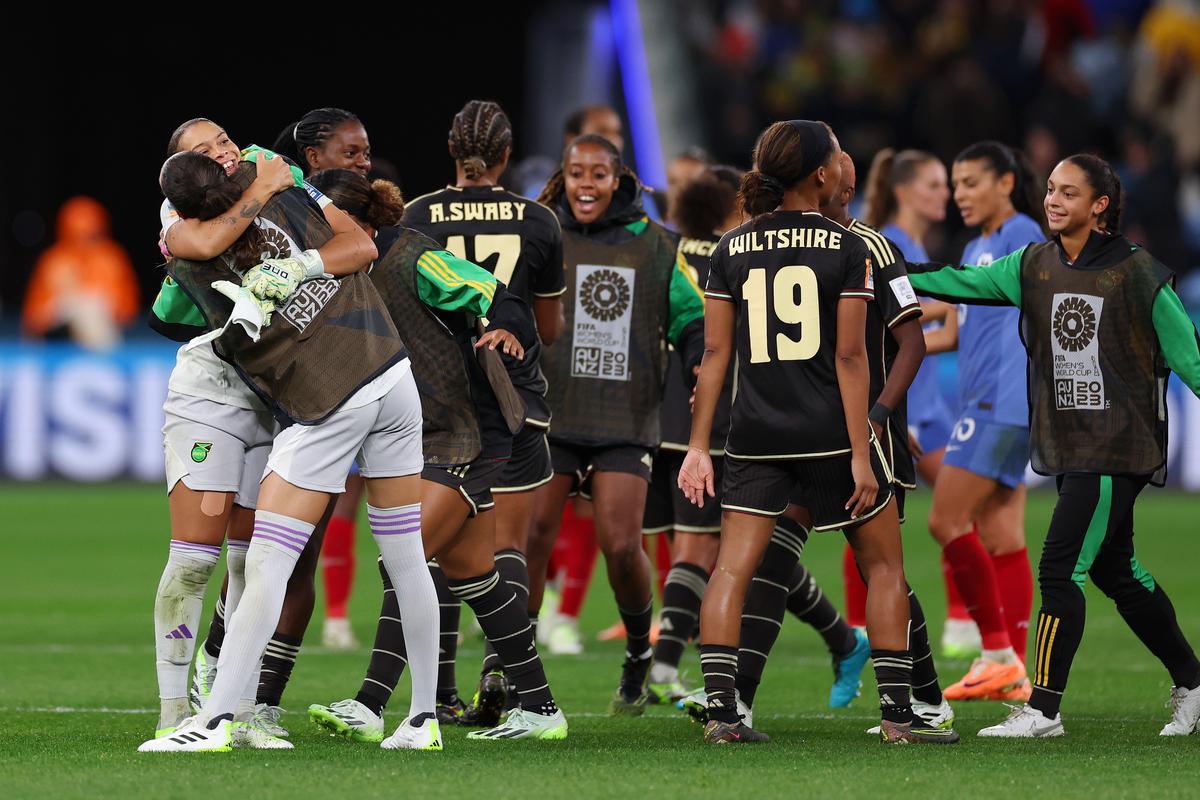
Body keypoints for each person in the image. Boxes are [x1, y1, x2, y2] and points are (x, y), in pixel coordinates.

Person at [140, 151, 441, 753]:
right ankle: (422, 719)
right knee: (406, 555)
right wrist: (291, 230)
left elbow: (202, 247)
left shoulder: (199, 260)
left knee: (268, 563)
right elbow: (356, 242)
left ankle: (216, 720)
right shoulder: (284, 195)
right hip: (392, 377)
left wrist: (295, 266)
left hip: (333, 398)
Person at [679, 120, 957, 745]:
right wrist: (866, 450)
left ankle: (725, 714)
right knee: (884, 568)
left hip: (753, 435)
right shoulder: (850, 246)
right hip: (833, 432)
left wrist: (699, 445)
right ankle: (899, 717)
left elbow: (715, 357)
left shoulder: (731, 247)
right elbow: (851, 358)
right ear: (822, 175)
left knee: (730, 571)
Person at [909, 153, 1200, 738]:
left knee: (1059, 567)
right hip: (1072, 445)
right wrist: (886, 270)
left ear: (1099, 206)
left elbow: (1191, 360)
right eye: (1050, 190)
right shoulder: (1033, 264)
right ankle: (1193, 684)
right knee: (1119, 573)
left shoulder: (1141, 274)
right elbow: (956, 282)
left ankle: (1042, 710)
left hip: (1118, 447)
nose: (1052, 200)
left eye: (1068, 193)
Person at [303, 168, 569, 742]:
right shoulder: (342, 270)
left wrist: (503, 325)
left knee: (405, 556)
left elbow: (497, 293)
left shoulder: (415, 258)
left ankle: (372, 705)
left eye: (318, 223)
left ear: (354, 222)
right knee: (475, 575)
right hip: (423, 434)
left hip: (470, 428)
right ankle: (543, 711)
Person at [145, 118, 356, 747]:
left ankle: (228, 709)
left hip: (275, 397)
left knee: (251, 564)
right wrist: (263, 187)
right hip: (210, 396)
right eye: (202, 151)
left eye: (222, 139)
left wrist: (296, 237)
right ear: (187, 170)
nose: (221, 151)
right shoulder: (181, 204)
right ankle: (172, 712)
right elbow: (202, 245)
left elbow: (355, 244)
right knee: (192, 560)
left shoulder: (272, 174)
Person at [652, 164, 872, 711]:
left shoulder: (721, 251)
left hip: (756, 424)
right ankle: (844, 659)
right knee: (749, 556)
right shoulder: (764, 250)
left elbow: (715, 350)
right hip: (749, 423)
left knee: (733, 555)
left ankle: (674, 676)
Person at [525, 134, 706, 714]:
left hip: (625, 417)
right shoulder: (544, 233)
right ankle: (508, 663)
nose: (585, 184)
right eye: (576, 172)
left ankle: (636, 652)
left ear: (618, 179)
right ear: (563, 176)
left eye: (597, 174)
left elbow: (692, 317)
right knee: (530, 539)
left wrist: (701, 357)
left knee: (622, 545)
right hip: (553, 414)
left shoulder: (656, 245)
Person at [402, 100, 566, 717]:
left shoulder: (418, 215)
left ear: (451, 149)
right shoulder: (540, 221)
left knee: (440, 546)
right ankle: (506, 679)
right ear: (505, 155)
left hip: (441, 401)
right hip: (515, 397)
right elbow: (546, 326)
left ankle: (439, 692)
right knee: (511, 546)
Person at [927, 141, 1045, 702]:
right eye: (955, 185)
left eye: (971, 182)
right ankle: (1013, 668)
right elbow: (950, 330)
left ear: (1005, 181)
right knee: (1000, 536)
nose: (960, 195)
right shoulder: (976, 246)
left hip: (1002, 402)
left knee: (945, 521)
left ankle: (997, 653)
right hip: (990, 402)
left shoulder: (1022, 234)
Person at [863, 148, 981, 658]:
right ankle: (965, 624)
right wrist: (948, 303)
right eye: (935, 185)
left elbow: (913, 334)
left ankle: (958, 623)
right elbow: (885, 330)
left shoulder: (909, 242)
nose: (945, 195)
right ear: (905, 190)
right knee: (949, 514)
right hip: (910, 408)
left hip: (926, 405)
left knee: (882, 515)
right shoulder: (890, 243)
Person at [274, 107, 375, 649]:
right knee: (285, 548)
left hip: (368, 389)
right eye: (350, 153)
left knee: (401, 536)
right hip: (298, 401)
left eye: (365, 152)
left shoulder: (374, 221)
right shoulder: (279, 217)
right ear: (313, 158)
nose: (363, 162)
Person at [22, 196, 140, 350]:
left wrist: (95, 301)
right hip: (56, 335)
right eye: (77, 233)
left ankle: (104, 363)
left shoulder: (111, 257)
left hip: (100, 328)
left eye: (89, 233)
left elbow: (127, 310)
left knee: (90, 309)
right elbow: (33, 318)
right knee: (77, 306)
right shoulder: (53, 259)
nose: (83, 240)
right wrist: (64, 303)